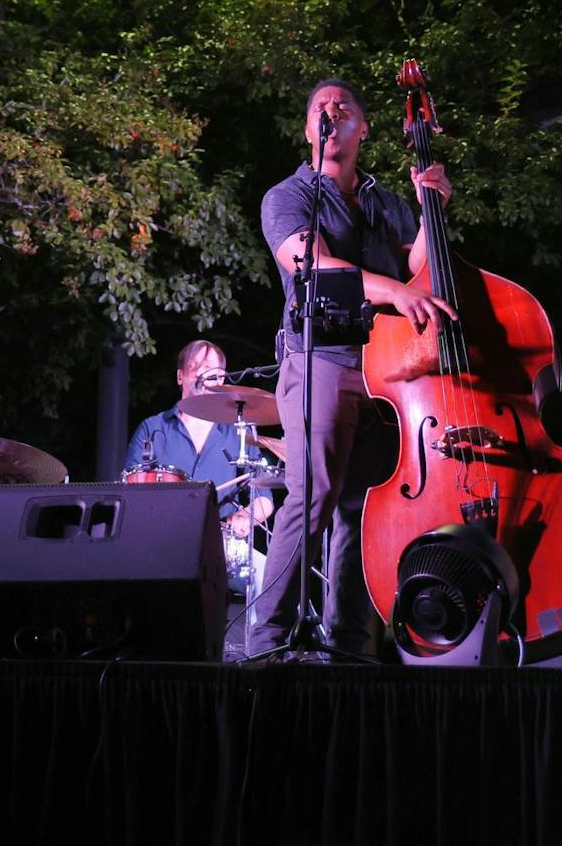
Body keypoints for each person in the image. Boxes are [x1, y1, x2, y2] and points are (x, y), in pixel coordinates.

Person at [249, 77, 454, 658]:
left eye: (343, 107)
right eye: (319, 107)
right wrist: (394, 292)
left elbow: (420, 267)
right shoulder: (287, 195)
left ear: (363, 128)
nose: (331, 112)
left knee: (363, 506)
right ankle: (267, 639)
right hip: (321, 357)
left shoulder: (386, 200)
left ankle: (351, 646)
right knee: (311, 491)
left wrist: (431, 208)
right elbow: (313, 264)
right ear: (309, 129)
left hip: (386, 367)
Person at [123, 338, 275, 534]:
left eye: (210, 368)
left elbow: (264, 498)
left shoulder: (238, 431)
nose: (202, 373)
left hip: (220, 543)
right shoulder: (151, 428)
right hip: (161, 538)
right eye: (195, 366)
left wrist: (244, 516)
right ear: (180, 376)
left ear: (220, 379)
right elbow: (129, 492)